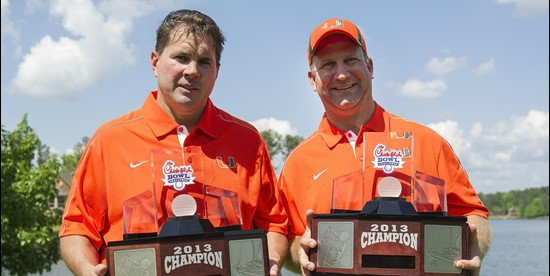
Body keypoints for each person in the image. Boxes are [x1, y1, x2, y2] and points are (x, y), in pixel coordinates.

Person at [59, 9, 287, 276]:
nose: (192, 71)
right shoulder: (108, 140)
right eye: (181, 57)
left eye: (204, 61)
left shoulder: (248, 141)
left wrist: (270, 262)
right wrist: (87, 269)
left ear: (217, 71)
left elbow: (274, 224)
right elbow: (76, 228)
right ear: (154, 62)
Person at [279, 18, 492, 275]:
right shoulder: (298, 162)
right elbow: (287, 240)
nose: (342, 73)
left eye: (351, 60)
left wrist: (472, 246)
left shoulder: (427, 141)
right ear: (312, 80)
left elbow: (473, 216)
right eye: (327, 65)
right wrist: (299, 251)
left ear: (369, 66)